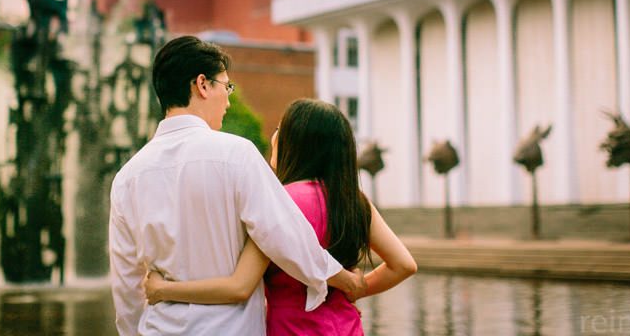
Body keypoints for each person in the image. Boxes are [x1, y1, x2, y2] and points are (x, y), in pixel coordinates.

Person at [109, 37, 365, 335]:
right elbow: (284, 233)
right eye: (226, 86)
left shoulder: (127, 178)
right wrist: (343, 280)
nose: (229, 100)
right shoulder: (236, 155)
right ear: (202, 85)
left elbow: (127, 283)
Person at [145, 98, 418, 335]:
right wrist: (356, 289)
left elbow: (239, 287)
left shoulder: (276, 202)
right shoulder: (354, 201)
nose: (274, 136)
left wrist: (163, 290)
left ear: (295, 144)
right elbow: (404, 265)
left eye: (280, 129)